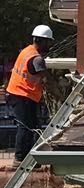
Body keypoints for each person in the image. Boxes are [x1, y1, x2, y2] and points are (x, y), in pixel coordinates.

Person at [5, 25, 53, 164]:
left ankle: (29, 157)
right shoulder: (37, 59)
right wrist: (59, 95)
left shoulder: (27, 51)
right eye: (48, 42)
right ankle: (20, 158)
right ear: (42, 41)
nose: (49, 45)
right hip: (22, 95)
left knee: (32, 126)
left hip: (20, 94)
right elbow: (47, 79)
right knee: (26, 126)